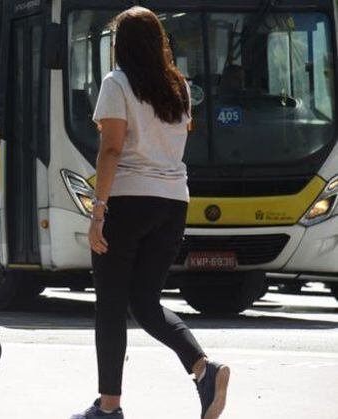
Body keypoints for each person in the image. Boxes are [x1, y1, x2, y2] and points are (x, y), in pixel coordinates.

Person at [73, 7, 230, 419]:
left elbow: (111, 149)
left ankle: (109, 408)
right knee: (145, 303)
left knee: (111, 305)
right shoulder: (179, 87)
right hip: (173, 203)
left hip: (128, 201)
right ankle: (204, 369)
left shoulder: (117, 83)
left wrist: (98, 211)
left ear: (121, 44)